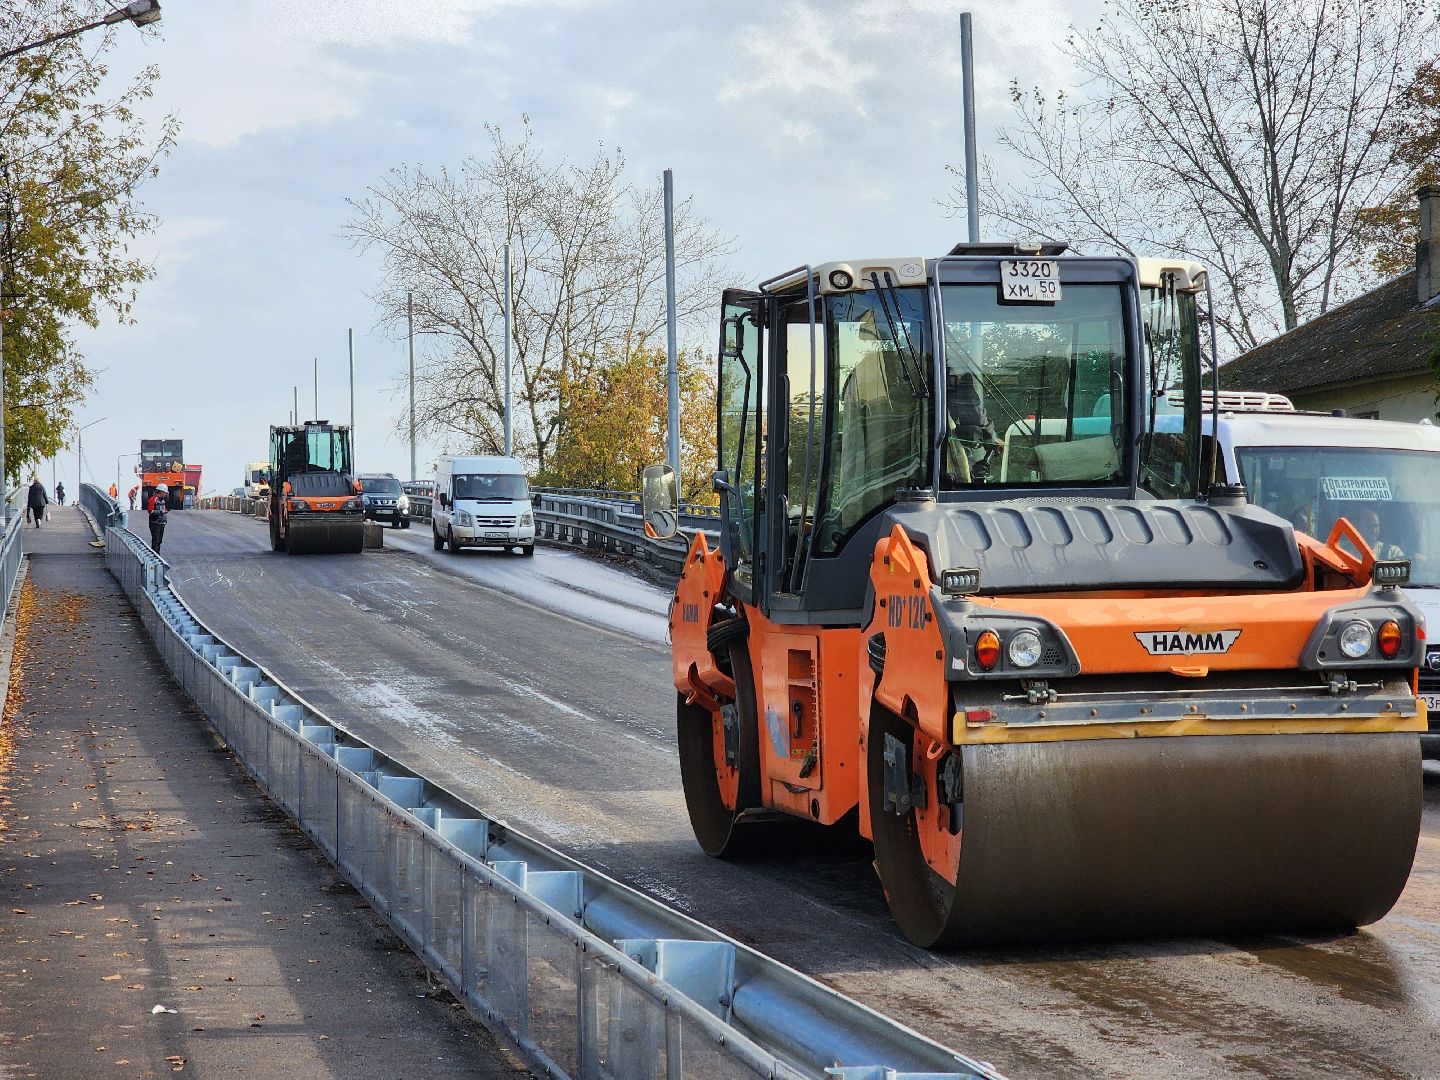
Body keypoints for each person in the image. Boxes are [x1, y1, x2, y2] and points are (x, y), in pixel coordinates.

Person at [147, 482, 170, 552]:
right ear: (161, 492)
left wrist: (164, 512)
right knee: (155, 541)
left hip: (161, 523)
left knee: (159, 541)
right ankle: (155, 557)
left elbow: (162, 509)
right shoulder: (153, 499)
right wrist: (161, 512)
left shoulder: (162, 500)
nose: (165, 494)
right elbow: (150, 511)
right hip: (155, 523)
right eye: (164, 492)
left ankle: (157, 555)